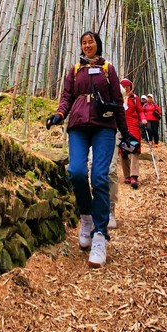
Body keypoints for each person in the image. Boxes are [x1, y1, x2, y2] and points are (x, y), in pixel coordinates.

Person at [45, 31, 133, 268]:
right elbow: (67, 98)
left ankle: (100, 235)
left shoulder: (108, 68)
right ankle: (86, 217)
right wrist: (59, 114)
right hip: (79, 126)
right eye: (84, 43)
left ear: (97, 44)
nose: (87, 45)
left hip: (104, 126)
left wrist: (126, 134)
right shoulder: (75, 70)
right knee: (76, 172)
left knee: (100, 177)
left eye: (90, 42)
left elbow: (117, 101)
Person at [119, 79, 145, 189]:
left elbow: (140, 111)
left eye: (127, 86)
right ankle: (127, 175)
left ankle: (134, 175)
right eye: (123, 86)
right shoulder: (118, 98)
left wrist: (143, 119)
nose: (125, 88)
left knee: (134, 149)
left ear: (131, 87)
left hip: (133, 126)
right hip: (121, 126)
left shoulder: (135, 98)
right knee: (123, 151)